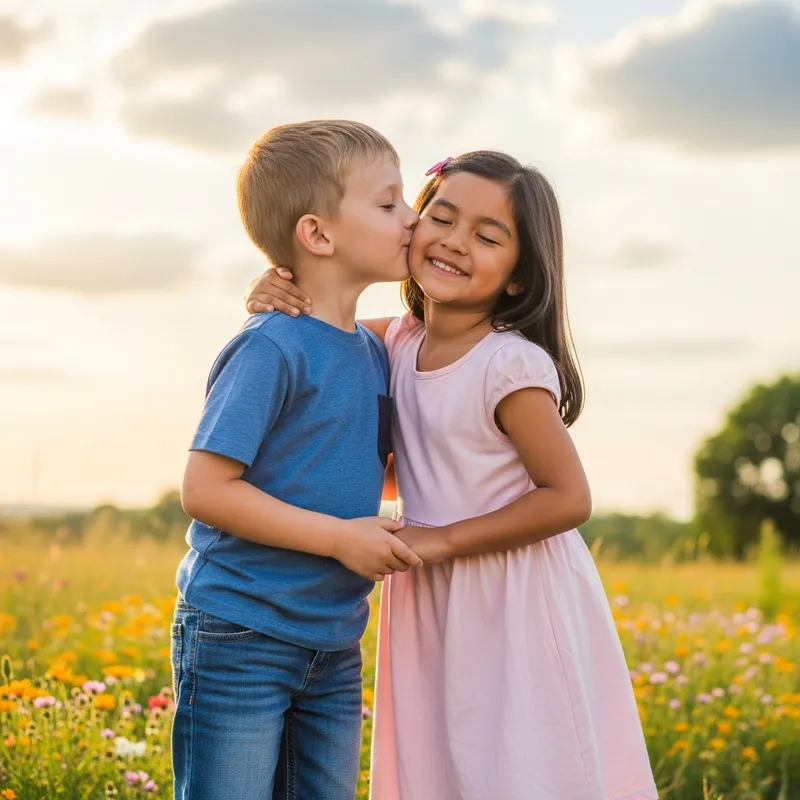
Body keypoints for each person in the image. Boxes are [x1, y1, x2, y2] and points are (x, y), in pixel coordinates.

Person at [246, 150, 658, 799]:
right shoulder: (396, 340)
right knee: (443, 762)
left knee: (521, 761)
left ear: (519, 278)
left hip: (510, 589)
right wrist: (279, 287)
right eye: (443, 216)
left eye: (488, 236)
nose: (456, 242)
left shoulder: (509, 367)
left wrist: (440, 540)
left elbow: (568, 497)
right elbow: (325, 332)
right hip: (432, 594)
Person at [171, 119, 422, 800]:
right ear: (318, 235)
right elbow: (206, 488)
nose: (411, 218)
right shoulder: (270, 346)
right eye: (389, 202)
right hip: (240, 634)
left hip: (333, 643)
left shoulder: (373, 350)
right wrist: (341, 538)